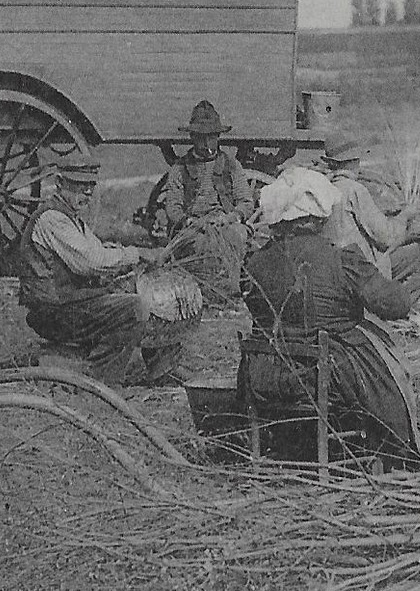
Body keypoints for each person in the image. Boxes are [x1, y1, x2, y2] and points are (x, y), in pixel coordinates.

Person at [238, 167, 420, 469]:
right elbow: (395, 305)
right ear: (320, 216)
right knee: (389, 382)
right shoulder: (342, 259)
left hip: (268, 373)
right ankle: (397, 457)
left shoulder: (254, 264)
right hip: (326, 374)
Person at [17, 155, 178, 387]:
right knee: (134, 307)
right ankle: (101, 383)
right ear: (60, 183)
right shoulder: (52, 219)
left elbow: (99, 250)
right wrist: (135, 254)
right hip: (54, 310)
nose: (87, 194)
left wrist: (130, 263)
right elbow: (91, 262)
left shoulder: (71, 218)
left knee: (148, 293)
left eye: (90, 187)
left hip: (69, 303)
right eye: (79, 186)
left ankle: (162, 369)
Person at [162, 100, 256, 300]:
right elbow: (173, 206)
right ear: (192, 137)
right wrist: (189, 222)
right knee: (198, 243)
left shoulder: (231, 165)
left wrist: (231, 217)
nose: (206, 144)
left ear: (218, 136)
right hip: (193, 224)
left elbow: (246, 202)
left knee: (235, 235)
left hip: (224, 222)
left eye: (212, 137)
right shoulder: (179, 168)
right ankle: (203, 292)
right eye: (201, 138)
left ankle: (230, 290)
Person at [318, 133, 420, 294]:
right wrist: (405, 215)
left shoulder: (324, 187)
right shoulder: (355, 190)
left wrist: (386, 213)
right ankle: (397, 307)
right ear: (354, 162)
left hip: (336, 269)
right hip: (361, 272)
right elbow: (386, 238)